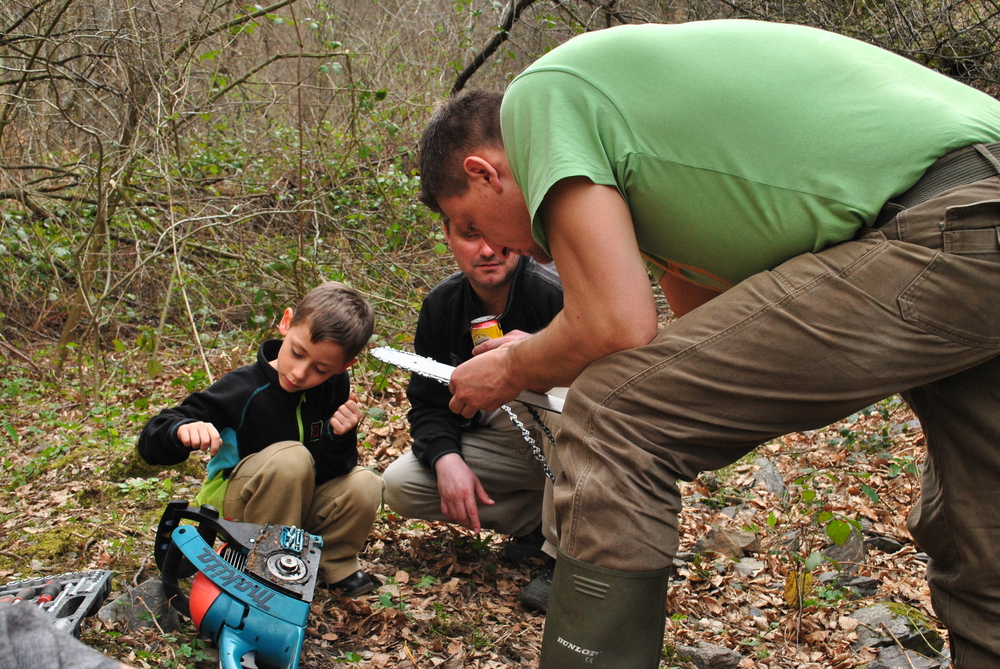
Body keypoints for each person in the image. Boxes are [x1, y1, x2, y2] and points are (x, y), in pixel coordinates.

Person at [417, 20, 1000, 669]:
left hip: (949, 219)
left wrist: (512, 367)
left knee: (611, 416)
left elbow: (615, 325)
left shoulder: (538, 97)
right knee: (986, 535)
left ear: (484, 170)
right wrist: (561, 345)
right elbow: (693, 347)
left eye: (470, 221)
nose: (494, 246)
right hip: (974, 221)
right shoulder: (685, 210)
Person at [138, 282, 385, 596]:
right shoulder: (243, 388)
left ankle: (331, 566)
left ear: (344, 366)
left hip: (294, 503)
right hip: (233, 509)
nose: (299, 373)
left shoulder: (334, 387)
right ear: (286, 322)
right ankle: (265, 570)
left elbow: (331, 472)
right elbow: (152, 439)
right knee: (292, 459)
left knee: (366, 484)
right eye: (297, 353)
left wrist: (340, 437)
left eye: (321, 369)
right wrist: (180, 430)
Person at [382, 217, 564, 610]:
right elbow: (429, 404)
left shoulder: (552, 292)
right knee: (400, 483)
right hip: (508, 445)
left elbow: (614, 379)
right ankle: (536, 525)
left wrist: (540, 352)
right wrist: (446, 459)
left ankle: (569, 554)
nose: (486, 250)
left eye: (496, 234)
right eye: (469, 236)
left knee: (565, 400)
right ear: (447, 236)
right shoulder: (441, 306)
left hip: (573, 443)